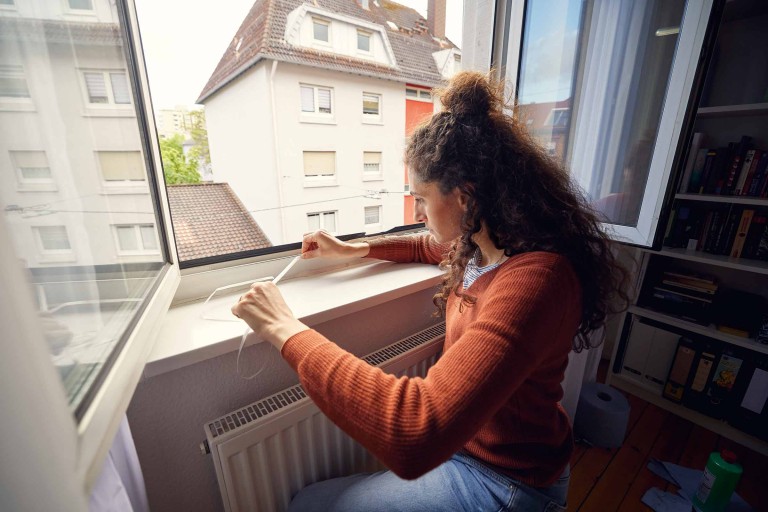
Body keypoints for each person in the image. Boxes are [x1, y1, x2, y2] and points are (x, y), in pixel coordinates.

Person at [232, 70, 629, 511]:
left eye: (421, 198)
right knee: (313, 500)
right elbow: (427, 245)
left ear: (464, 196)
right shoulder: (484, 242)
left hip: (508, 482)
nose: (418, 211)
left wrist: (283, 327)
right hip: (467, 453)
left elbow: (415, 432)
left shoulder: (538, 280)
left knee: (308, 506)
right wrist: (354, 249)